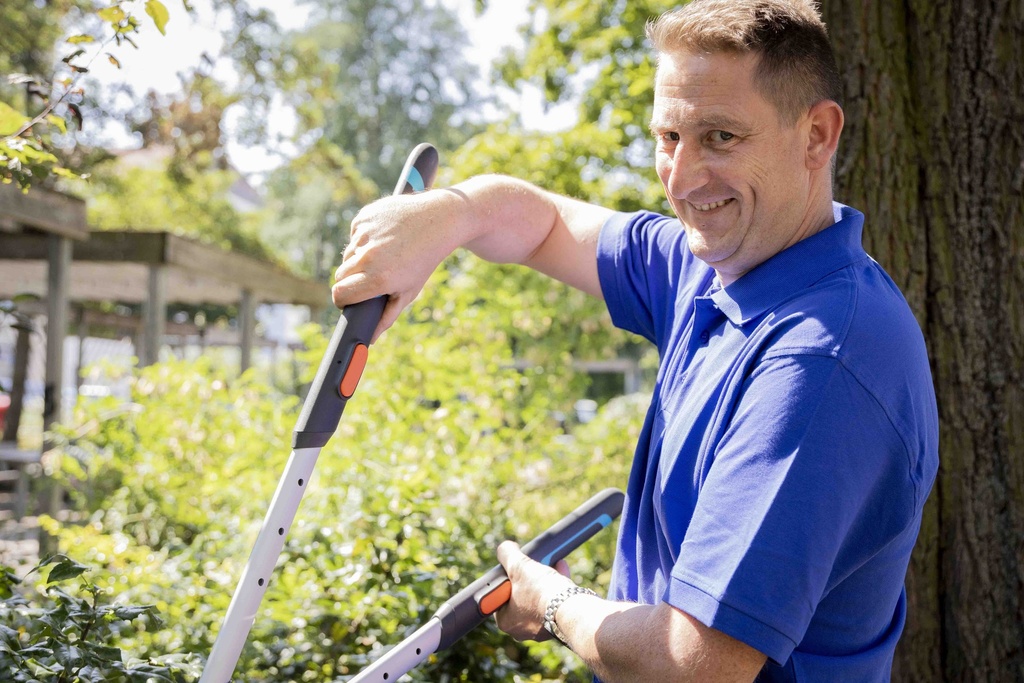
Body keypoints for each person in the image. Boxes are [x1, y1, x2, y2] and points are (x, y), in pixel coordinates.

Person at [331, 0, 939, 680]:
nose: (681, 178)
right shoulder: (709, 270)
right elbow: (541, 223)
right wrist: (449, 216)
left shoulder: (822, 359)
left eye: (721, 138)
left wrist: (555, 601)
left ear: (816, 136)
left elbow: (696, 664)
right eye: (669, 136)